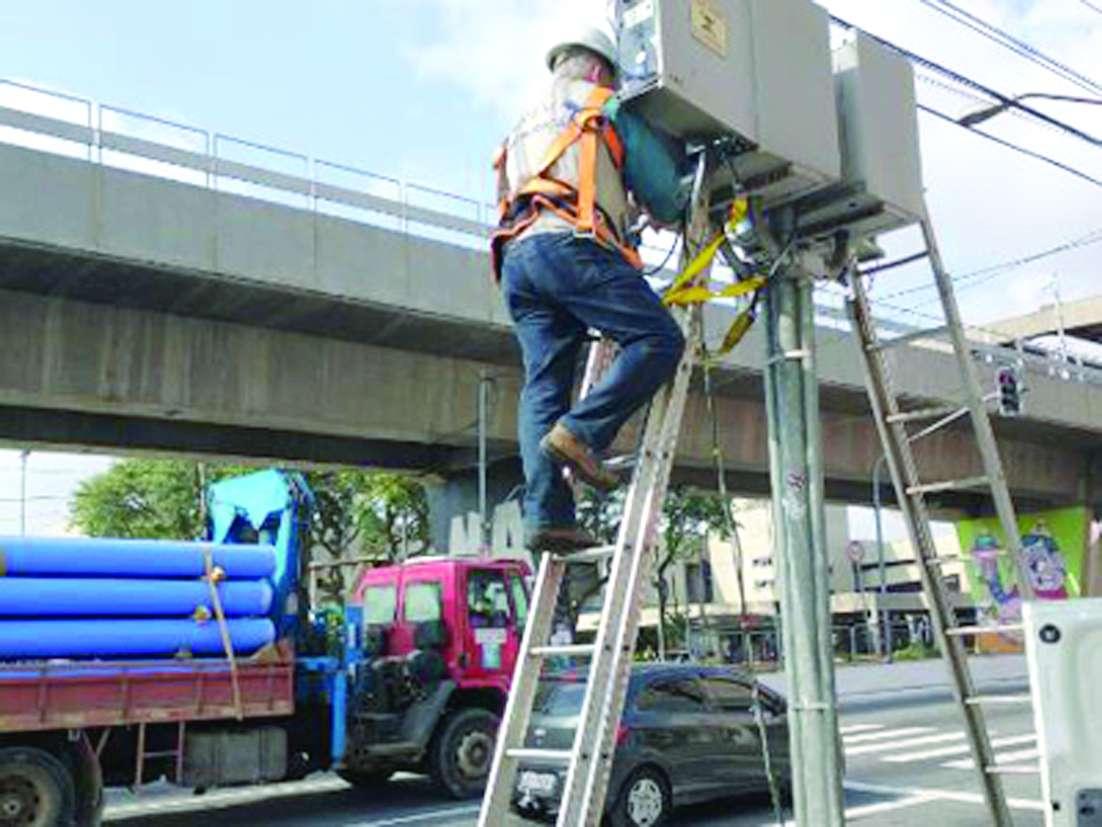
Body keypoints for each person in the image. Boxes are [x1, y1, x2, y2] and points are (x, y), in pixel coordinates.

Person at [491, 26, 687, 554]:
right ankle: (582, 434)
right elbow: (668, 199)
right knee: (659, 340)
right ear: (601, 71)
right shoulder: (606, 105)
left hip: (518, 260)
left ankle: (547, 517)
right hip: (571, 249)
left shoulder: (520, 126)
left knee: (543, 387)